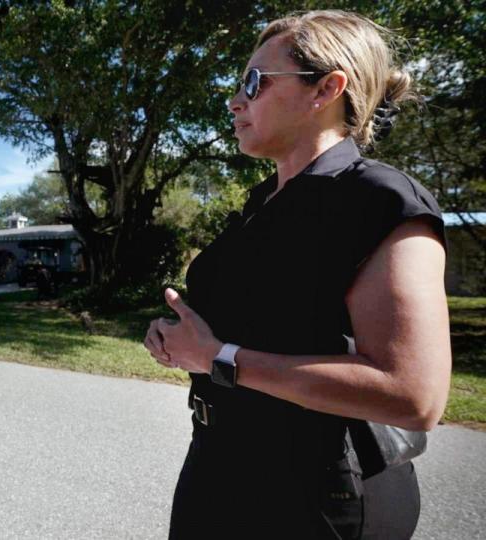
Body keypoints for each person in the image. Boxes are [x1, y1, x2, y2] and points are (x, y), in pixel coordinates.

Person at [143, 10, 451, 539]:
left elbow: (413, 395)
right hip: (218, 463)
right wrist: (182, 339)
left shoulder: (377, 199)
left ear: (325, 89)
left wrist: (218, 358)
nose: (236, 101)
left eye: (254, 83)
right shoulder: (264, 202)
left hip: (315, 494)